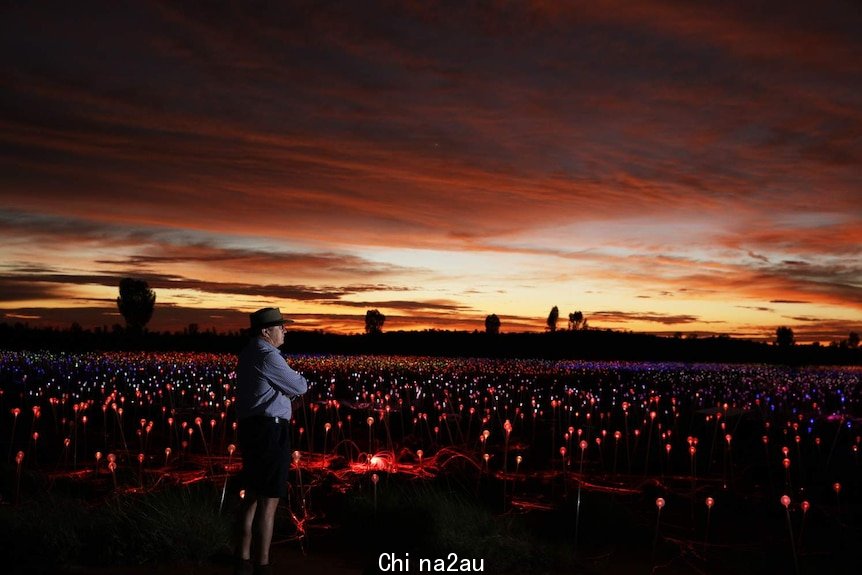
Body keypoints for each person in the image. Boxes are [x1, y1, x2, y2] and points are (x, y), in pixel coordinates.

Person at [234, 307, 308, 575]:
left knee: (252, 495)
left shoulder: (248, 353)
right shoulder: (268, 357)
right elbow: (299, 386)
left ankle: (242, 560)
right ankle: (262, 564)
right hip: (269, 433)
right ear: (266, 331)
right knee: (270, 499)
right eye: (280, 326)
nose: (285, 330)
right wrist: (289, 392)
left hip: (252, 429)